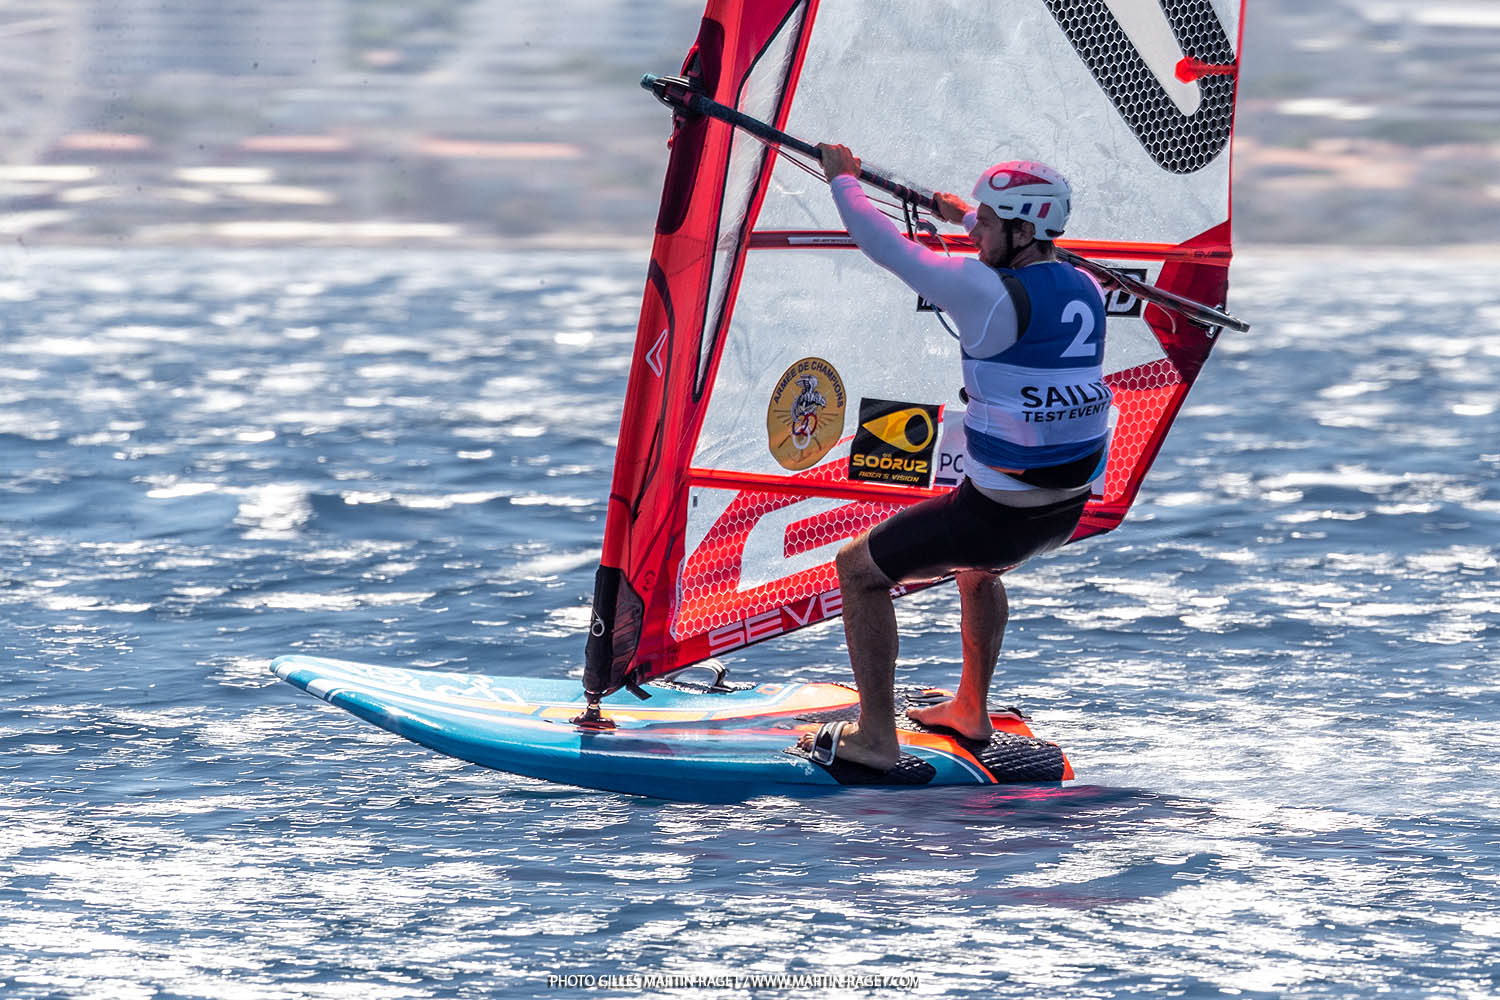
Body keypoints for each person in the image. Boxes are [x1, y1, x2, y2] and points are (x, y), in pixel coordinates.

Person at [795, 144, 1111, 772]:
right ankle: (971, 709)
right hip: (1064, 509)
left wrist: (844, 182)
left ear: (1023, 231)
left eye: (987, 225)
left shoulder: (984, 290)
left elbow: (887, 248)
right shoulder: (1087, 285)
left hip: (1002, 512)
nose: (976, 235)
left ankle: (875, 739)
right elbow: (999, 238)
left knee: (857, 570)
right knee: (977, 568)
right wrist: (963, 214)